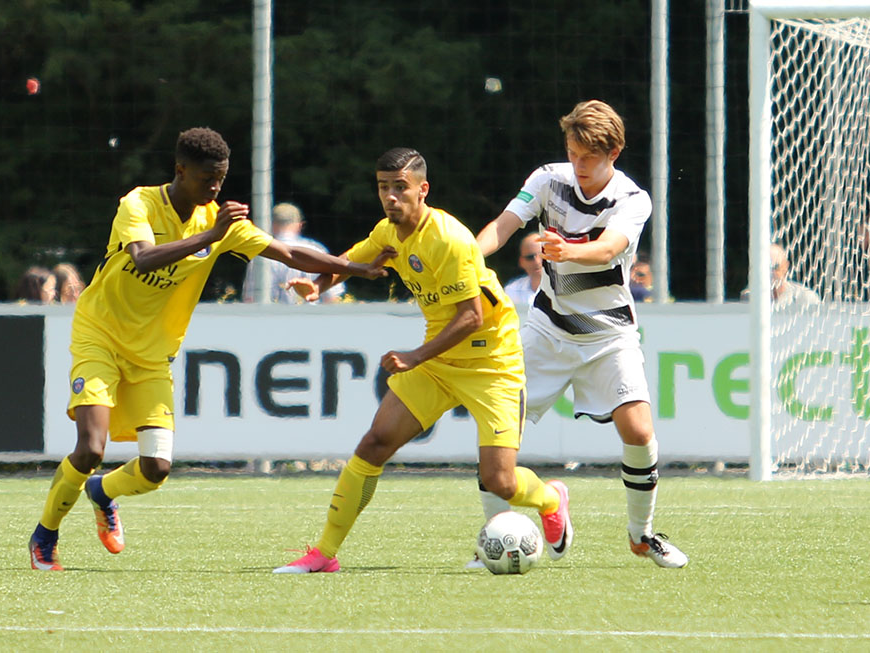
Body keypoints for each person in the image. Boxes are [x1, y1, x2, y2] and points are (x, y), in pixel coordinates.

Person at [28, 127, 392, 571]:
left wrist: (356, 267)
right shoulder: (138, 203)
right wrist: (210, 237)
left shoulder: (219, 220)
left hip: (151, 354)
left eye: (220, 179)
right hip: (100, 335)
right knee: (90, 447)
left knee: (157, 468)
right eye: (206, 179)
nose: (215, 188)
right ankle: (46, 534)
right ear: (180, 170)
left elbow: (288, 254)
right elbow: (144, 257)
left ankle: (102, 492)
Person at [273, 147, 571, 574]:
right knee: (374, 444)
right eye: (383, 188)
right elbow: (351, 260)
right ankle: (323, 553)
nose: (391, 197)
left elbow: (473, 315)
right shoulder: (389, 231)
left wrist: (414, 356)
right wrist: (320, 285)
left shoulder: (449, 238)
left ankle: (550, 498)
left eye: (400, 188)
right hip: (438, 361)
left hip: (492, 363)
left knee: (500, 480)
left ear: (422, 189)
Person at [475, 100, 688, 568]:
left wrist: (568, 251)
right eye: (573, 154)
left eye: (589, 157)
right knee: (497, 426)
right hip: (546, 330)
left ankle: (641, 535)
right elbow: (506, 224)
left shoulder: (633, 199)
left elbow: (609, 248)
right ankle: (491, 535)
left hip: (609, 336)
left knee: (638, 430)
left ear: (614, 150)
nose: (579, 166)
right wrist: (469, 258)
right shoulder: (548, 178)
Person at [241, 203, 346, 303]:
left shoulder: (262, 255)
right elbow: (332, 298)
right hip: (314, 319)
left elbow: (251, 300)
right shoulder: (317, 251)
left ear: (272, 224)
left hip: (273, 319)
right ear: (300, 225)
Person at [739, 242, 819, 307]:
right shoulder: (749, 298)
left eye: (775, 267)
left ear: (785, 267)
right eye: (763, 268)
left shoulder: (805, 298)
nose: (770, 273)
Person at [502, 233, 544, 307]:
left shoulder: (563, 290)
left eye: (542, 255)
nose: (537, 262)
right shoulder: (510, 292)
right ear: (521, 262)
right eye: (530, 257)